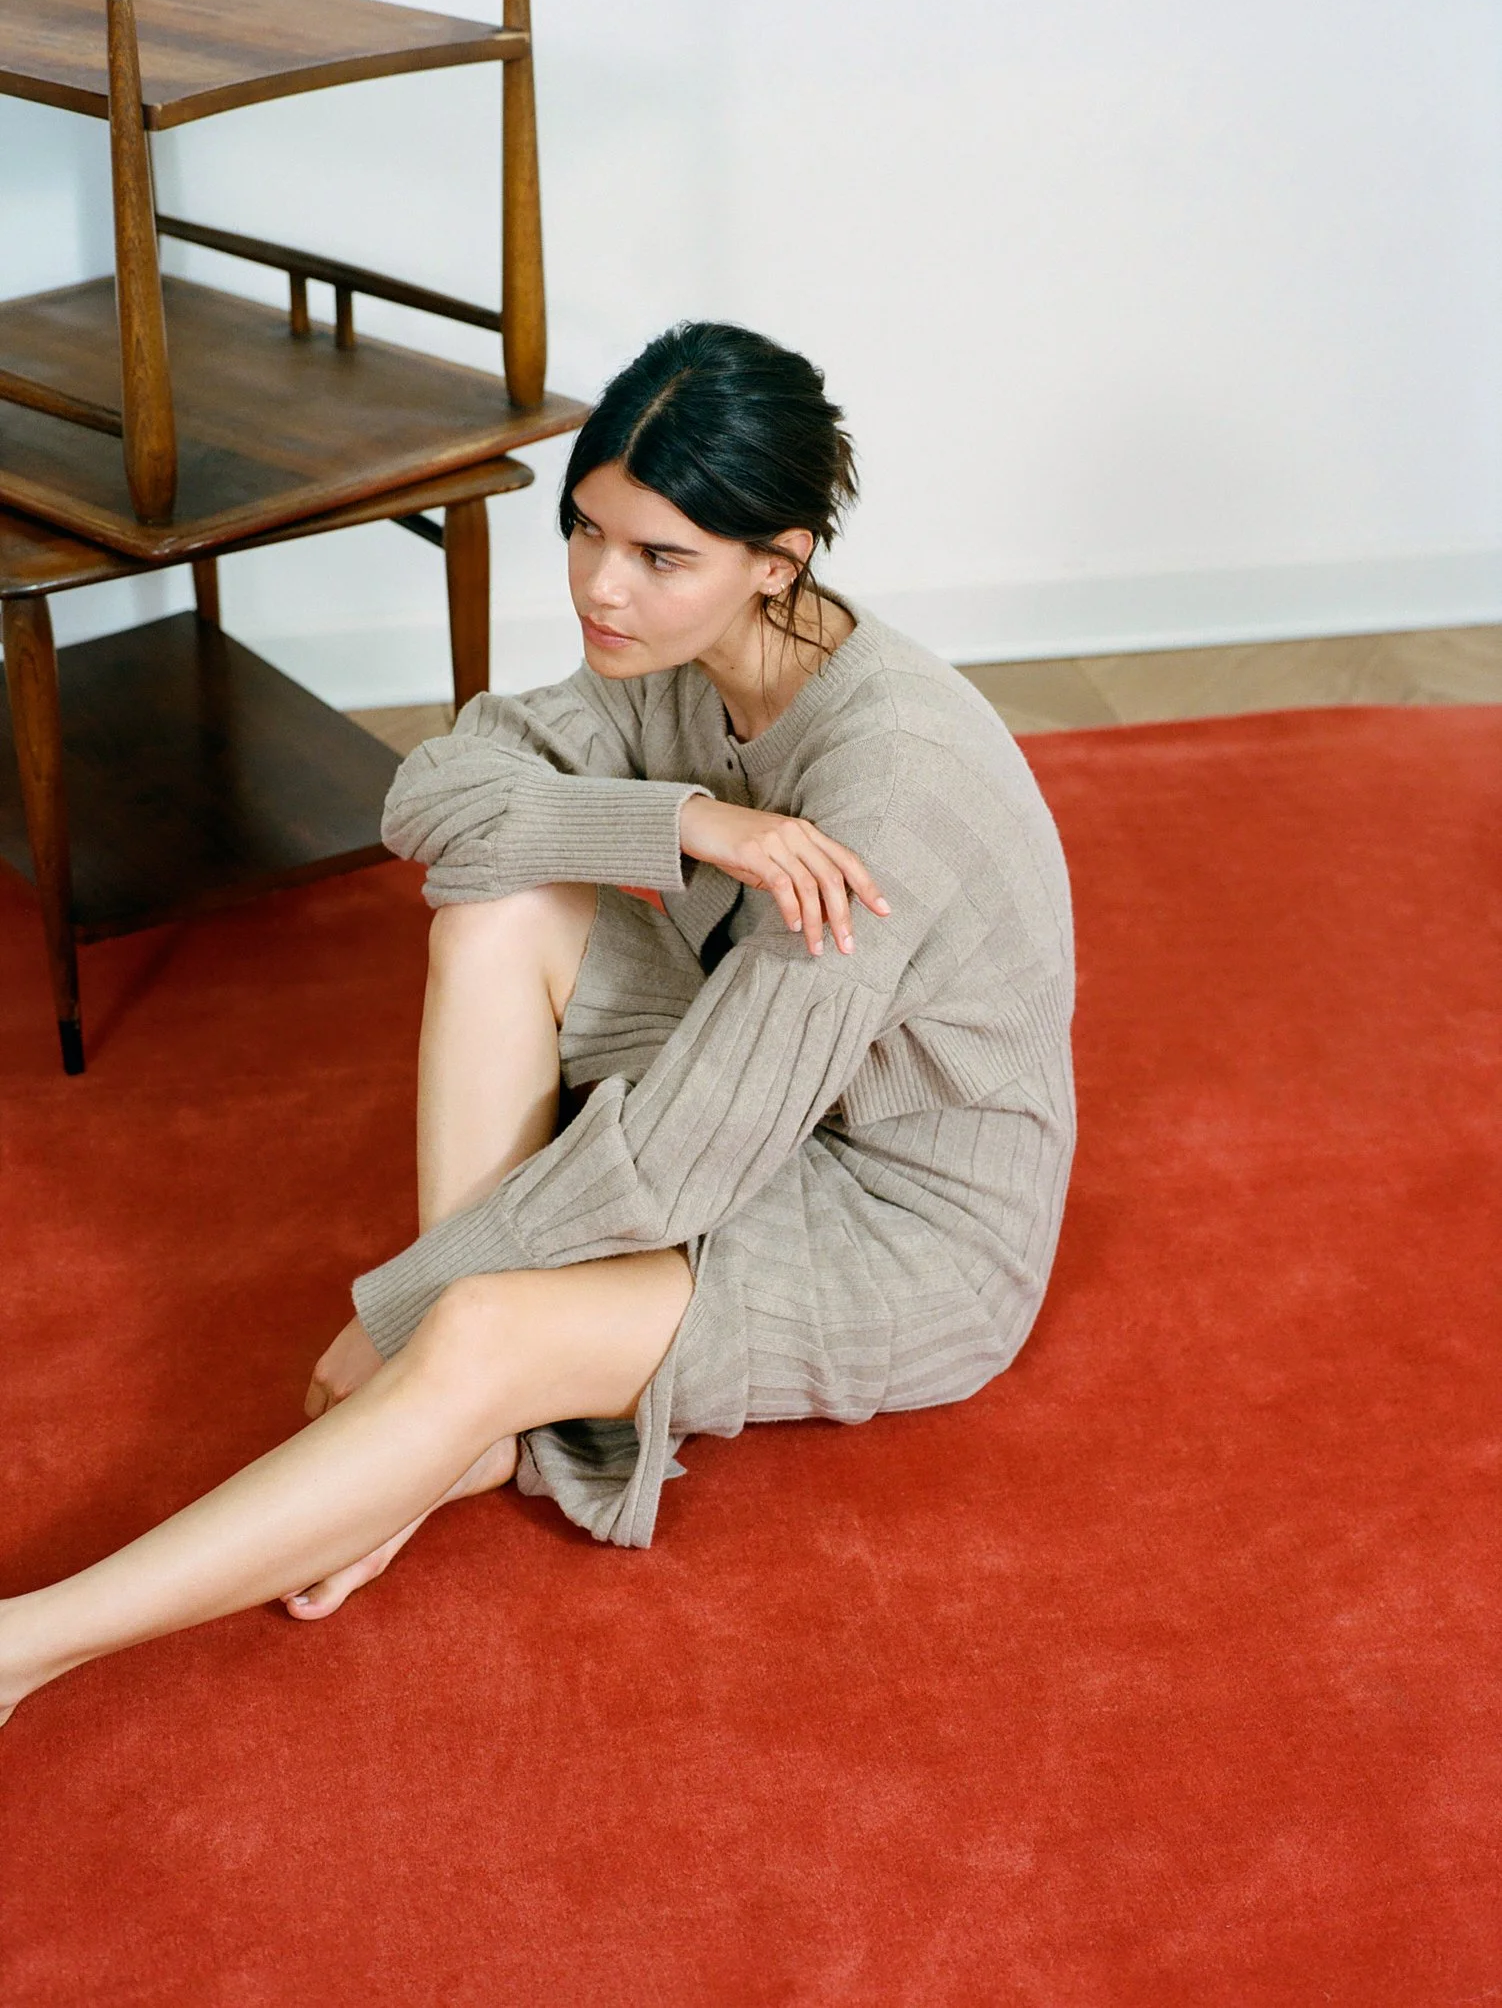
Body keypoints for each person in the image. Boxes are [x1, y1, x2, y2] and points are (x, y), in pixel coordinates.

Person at [0, 320, 1076, 1727]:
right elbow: (431, 801)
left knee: (465, 1338)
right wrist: (682, 817)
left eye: (657, 556)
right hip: (758, 1076)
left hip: (904, 1217)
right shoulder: (683, 661)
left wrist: (409, 1306)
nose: (598, 587)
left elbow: (693, 1153)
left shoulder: (891, 790)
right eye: (586, 531)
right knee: (497, 905)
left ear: (782, 557)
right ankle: (458, 1414)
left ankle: (27, 1646)